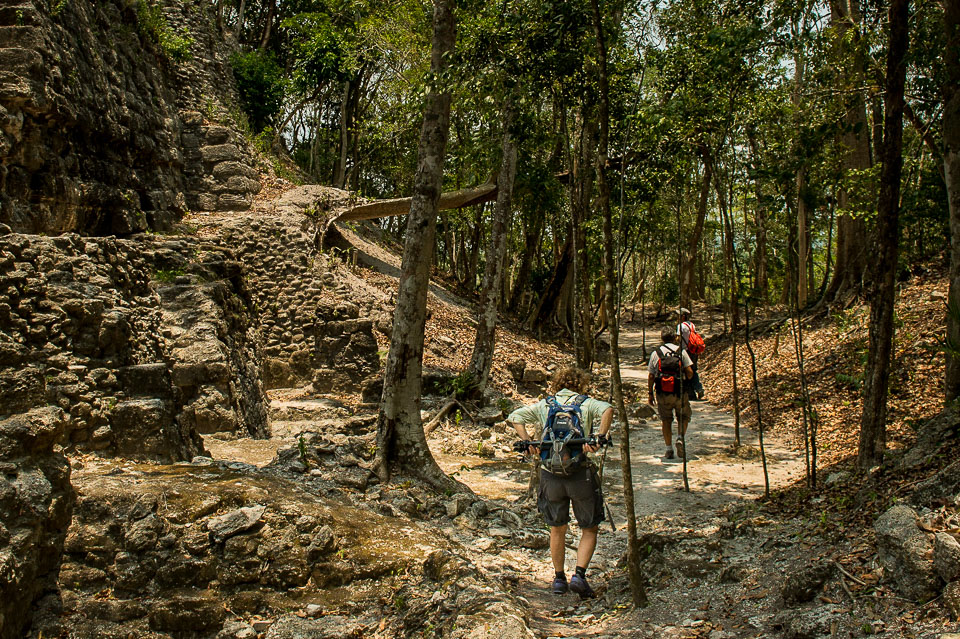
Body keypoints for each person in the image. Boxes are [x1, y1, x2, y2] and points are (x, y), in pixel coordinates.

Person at [507, 367, 613, 599]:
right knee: (589, 527)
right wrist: (599, 437)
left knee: (557, 528)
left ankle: (558, 579)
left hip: (550, 475)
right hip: (580, 474)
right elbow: (608, 409)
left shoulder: (546, 404)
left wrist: (527, 441)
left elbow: (514, 416)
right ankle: (580, 576)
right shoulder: (587, 403)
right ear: (581, 385)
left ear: (557, 384)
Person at [647, 327, 695, 459]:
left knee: (666, 420)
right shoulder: (681, 352)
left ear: (661, 338)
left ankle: (669, 449)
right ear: (675, 338)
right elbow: (690, 373)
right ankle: (680, 437)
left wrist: (650, 393)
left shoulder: (655, 353)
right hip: (679, 392)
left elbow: (651, 376)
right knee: (684, 417)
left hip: (662, 393)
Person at [677, 307, 705, 400]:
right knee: (694, 370)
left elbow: (678, 339)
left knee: (686, 371)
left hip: (685, 351)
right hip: (693, 351)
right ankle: (698, 388)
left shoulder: (680, 326)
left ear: (683, 317)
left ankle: (693, 391)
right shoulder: (692, 325)